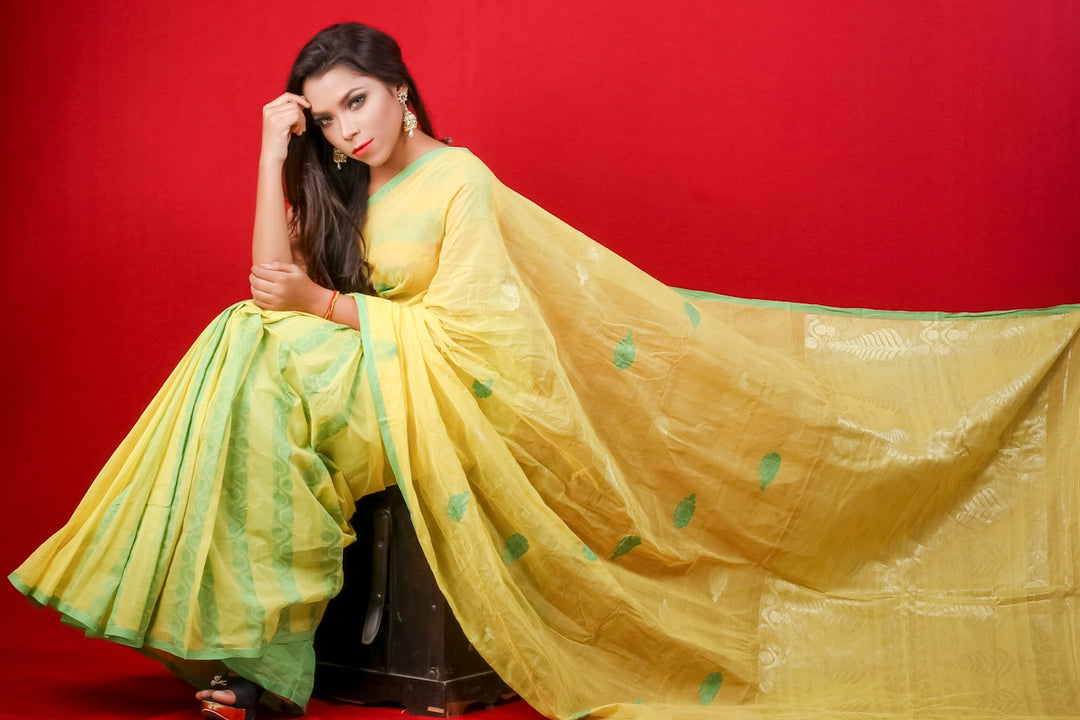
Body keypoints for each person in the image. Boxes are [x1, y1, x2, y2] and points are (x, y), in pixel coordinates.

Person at [9, 21, 1080, 720]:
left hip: (430, 384)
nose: (346, 131)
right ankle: (246, 654)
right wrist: (268, 150)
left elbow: (479, 334)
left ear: (399, 92)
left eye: (356, 105)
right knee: (239, 337)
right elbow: (265, 281)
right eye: (327, 118)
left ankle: (243, 654)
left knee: (252, 346)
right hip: (367, 368)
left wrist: (330, 309)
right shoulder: (346, 185)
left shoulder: (459, 180)